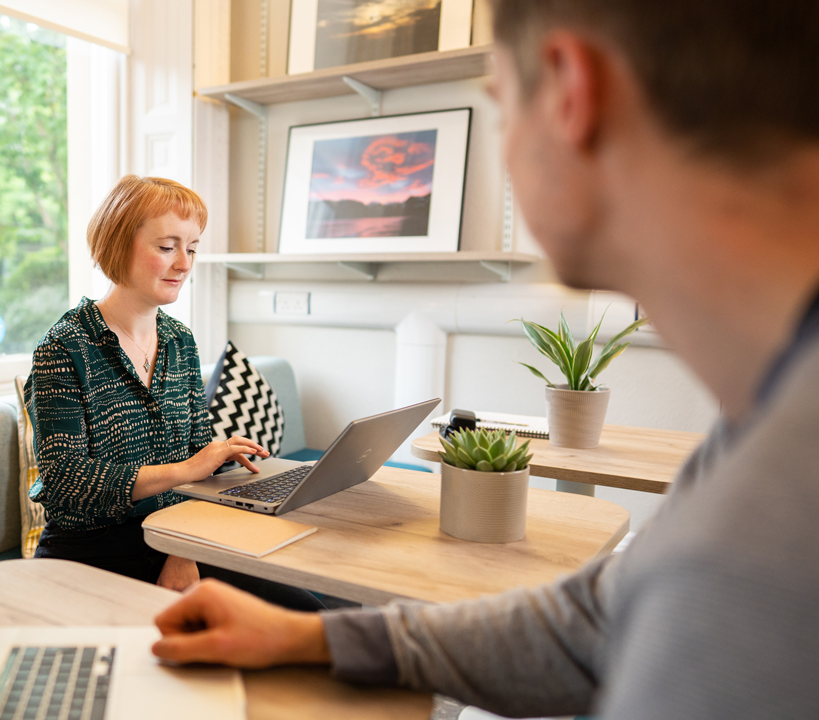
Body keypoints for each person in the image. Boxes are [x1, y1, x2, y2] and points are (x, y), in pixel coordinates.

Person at [151, 0, 819, 717]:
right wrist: (311, 637)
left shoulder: (758, 555)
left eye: (499, 105)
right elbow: (592, 626)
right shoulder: (757, 426)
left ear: (570, 94)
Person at [24, 175, 324, 610]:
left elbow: (200, 463)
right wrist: (187, 469)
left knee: (306, 612)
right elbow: (68, 482)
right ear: (117, 244)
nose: (184, 263)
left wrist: (182, 549)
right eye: (167, 247)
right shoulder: (65, 348)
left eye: (193, 248)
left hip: (173, 539)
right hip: (87, 558)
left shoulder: (179, 342)